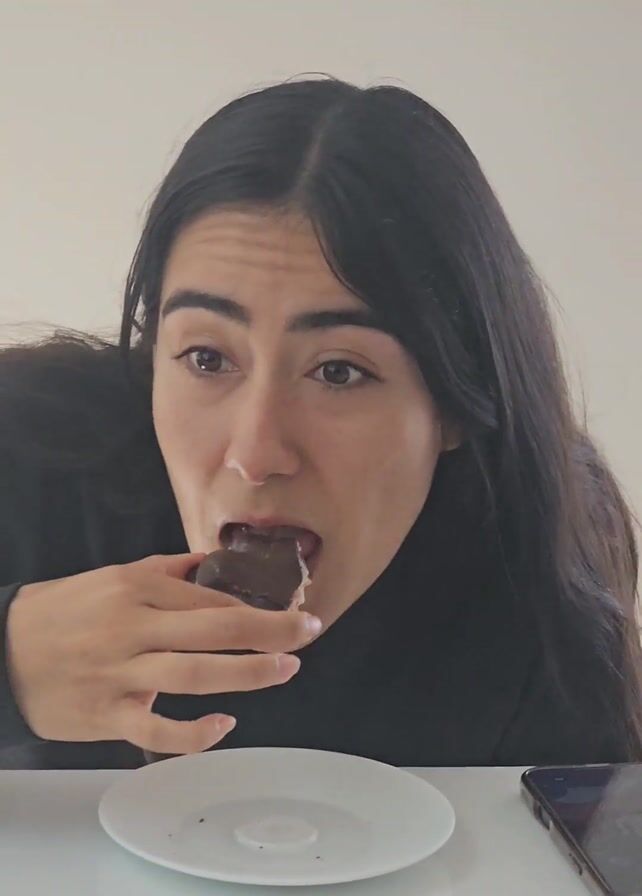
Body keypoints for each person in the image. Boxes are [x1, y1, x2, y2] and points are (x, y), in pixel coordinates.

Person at [1, 76, 640, 771]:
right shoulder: (27, 454)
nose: (256, 453)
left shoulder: (537, 581)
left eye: (338, 372)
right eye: (207, 358)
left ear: (456, 404)